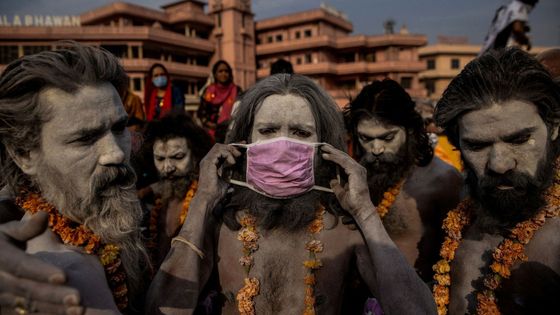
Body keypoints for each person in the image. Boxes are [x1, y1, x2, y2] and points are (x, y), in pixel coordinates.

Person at [147, 74, 436, 314]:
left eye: (300, 132)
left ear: (326, 147)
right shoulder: (220, 223)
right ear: (243, 141)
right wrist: (202, 201)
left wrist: (365, 213)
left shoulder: (345, 229)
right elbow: (164, 310)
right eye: (268, 130)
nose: (282, 146)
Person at [0, 42, 148, 314]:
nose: (115, 153)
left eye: (119, 128)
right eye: (85, 138)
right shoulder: (64, 275)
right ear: (25, 155)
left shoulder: (102, 219)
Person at [433, 47, 560, 314]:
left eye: (519, 139)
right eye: (477, 146)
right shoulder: (460, 220)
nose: (500, 164)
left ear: (554, 126)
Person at [344, 79, 463, 281]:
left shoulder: (443, 181)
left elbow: (459, 260)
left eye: (387, 138)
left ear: (410, 130)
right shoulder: (354, 177)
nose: (376, 149)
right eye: (366, 138)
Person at [139, 114, 212, 267]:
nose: (167, 168)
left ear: (195, 156)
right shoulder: (156, 202)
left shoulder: (208, 200)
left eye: (178, 157)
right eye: (160, 159)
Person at [197, 60, 241, 137]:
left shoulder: (237, 90)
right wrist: (213, 126)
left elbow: (242, 110)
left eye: (226, 71)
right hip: (211, 134)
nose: (223, 74)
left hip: (232, 132)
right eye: (220, 71)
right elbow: (202, 113)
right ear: (215, 74)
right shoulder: (209, 91)